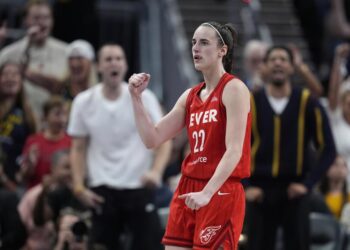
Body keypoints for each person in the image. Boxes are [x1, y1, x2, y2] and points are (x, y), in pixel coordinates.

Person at [128, 21, 251, 250]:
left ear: (221, 51)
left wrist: (207, 192)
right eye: (193, 42)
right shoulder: (190, 96)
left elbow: (234, 150)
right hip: (188, 187)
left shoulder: (234, 88)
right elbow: (152, 138)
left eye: (204, 43)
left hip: (220, 188)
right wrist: (136, 98)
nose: (196, 48)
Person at [68, 44, 171, 250]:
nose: (113, 63)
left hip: (139, 186)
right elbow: (78, 148)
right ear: (98, 66)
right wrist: (79, 186)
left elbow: (164, 139)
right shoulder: (83, 101)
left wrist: (156, 172)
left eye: (118, 58)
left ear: (125, 65)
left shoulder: (144, 97)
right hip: (102, 190)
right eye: (108, 59)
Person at [246, 45, 336, 250]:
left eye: (283, 59)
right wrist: (246, 185)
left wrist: (308, 183)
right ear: (265, 67)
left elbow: (328, 149)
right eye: (273, 59)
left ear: (292, 67)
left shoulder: (308, 102)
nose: (278, 63)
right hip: (260, 190)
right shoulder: (250, 101)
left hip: (295, 189)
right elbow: (233, 146)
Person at [0, 0, 68, 120]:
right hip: (19, 122)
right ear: (26, 21)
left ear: (52, 21)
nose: (42, 23)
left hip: (56, 124)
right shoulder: (8, 54)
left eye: (46, 18)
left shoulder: (66, 52)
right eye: (36, 18)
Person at [19, 95, 71, 188]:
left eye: (65, 114)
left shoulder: (71, 142)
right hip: (36, 193)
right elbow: (23, 177)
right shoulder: (33, 141)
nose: (62, 119)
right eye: (57, 114)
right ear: (45, 117)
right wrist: (30, 165)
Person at [0, 61, 36, 191]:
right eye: (5, 74)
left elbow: (31, 146)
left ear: (21, 81)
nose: (10, 78)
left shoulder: (27, 114)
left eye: (15, 75)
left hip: (15, 179)